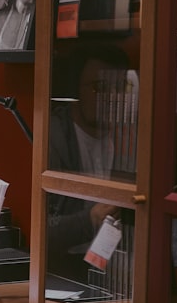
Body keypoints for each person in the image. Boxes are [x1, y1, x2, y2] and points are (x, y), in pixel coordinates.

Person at [46, 44, 128, 277]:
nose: (112, 98)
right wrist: (89, 220)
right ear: (75, 91)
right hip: (64, 269)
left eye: (120, 87)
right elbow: (40, 229)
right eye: (99, 88)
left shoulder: (129, 138)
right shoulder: (51, 140)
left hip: (116, 267)